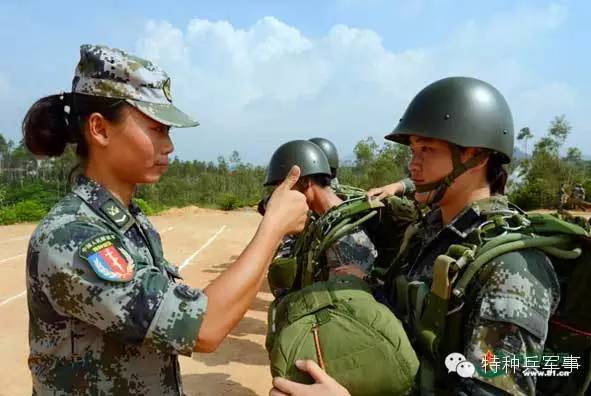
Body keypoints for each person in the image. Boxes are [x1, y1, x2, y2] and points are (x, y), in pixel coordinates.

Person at [23, 44, 308, 395]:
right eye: (157, 129)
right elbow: (203, 327)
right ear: (99, 129)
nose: (169, 146)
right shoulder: (72, 236)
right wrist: (273, 228)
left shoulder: (130, 222)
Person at [270, 77, 560, 396]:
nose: (414, 165)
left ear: (476, 156)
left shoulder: (511, 268)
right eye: (413, 150)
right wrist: (369, 288)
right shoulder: (429, 232)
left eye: (428, 150)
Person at [264, 140, 377, 282]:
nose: (282, 195)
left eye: (285, 187)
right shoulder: (320, 220)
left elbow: (357, 298)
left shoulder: (344, 233)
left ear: (305, 182)